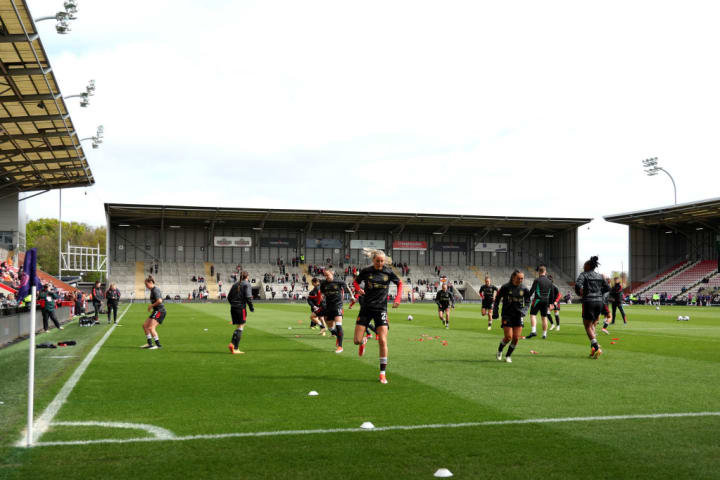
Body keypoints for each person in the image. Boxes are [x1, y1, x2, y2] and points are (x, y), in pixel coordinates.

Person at [353, 249, 402, 384]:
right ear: (373, 260)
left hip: (381, 309)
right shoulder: (366, 271)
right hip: (366, 309)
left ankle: (382, 373)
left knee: (382, 340)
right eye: (377, 261)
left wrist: (397, 298)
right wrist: (358, 289)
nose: (380, 263)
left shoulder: (388, 272)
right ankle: (363, 341)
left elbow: (400, 283)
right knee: (356, 340)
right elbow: (356, 282)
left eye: (382, 261)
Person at [575, 256, 610, 359]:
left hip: (588, 301)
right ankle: (593, 349)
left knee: (587, 326)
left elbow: (578, 285)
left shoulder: (584, 275)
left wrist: (581, 293)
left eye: (584, 266)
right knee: (593, 325)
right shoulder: (600, 276)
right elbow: (608, 287)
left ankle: (596, 346)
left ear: (588, 266)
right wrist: (599, 293)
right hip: (599, 302)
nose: (583, 267)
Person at [492, 270, 531, 363]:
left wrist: (524, 311)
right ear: (513, 277)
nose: (520, 280)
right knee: (508, 337)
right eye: (519, 278)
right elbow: (497, 300)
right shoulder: (505, 287)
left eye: (522, 278)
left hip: (518, 315)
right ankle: (500, 350)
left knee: (516, 338)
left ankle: (508, 356)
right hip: (507, 315)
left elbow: (528, 301)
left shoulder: (524, 288)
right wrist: (495, 311)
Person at [320, 268, 352, 354]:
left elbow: (347, 287)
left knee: (338, 325)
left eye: (328, 275)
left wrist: (352, 296)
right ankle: (338, 336)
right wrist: (322, 299)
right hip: (328, 307)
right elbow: (322, 293)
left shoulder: (339, 281)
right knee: (330, 328)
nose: (326, 277)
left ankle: (340, 346)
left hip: (338, 305)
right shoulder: (323, 283)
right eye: (325, 275)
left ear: (332, 274)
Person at [227, 271, 254, 354]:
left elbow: (229, 297)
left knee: (238, 327)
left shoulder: (235, 284)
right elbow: (248, 297)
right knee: (241, 327)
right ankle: (236, 348)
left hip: (233, 308)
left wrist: (233, 304)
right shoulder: (247, 284)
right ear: (247, 277)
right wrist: (251, 307)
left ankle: (232, 343)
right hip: (240, 308)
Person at [526, 266, 553, 339]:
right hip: (546, 301)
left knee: (532, 315)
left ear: (539, 272)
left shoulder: (537, 280)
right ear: (545, 272)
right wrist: (551, 303)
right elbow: (552, 293)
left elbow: (532, 290)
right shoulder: (549, 281)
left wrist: (527, 298)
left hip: (537, 300)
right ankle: (544, 334)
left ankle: (533, 331)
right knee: (544, 317)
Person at [141, 275, 165, 350]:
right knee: (145, 326)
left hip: (160, 311)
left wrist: (151, 305)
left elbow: (160, 301)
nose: (146, 286)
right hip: (156, 311)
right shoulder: (152, 290)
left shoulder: (155, 290)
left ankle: (158, 345)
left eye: (146, 284)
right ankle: (149, 343)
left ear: (151, 282)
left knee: (151, 327)